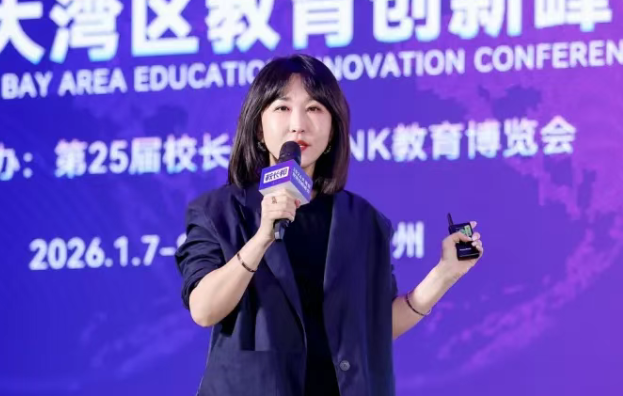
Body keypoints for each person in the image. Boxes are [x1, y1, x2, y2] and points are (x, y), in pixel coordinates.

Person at [174, 54, 484, 396]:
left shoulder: (364, 220)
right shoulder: (219, 212)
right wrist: (262, 237)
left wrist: (444, 274)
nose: (298, 124)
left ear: (333, 129)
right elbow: (204, 310)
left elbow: (374, 330)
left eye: (314, 108)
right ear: (258, 128)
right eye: (282, 108)